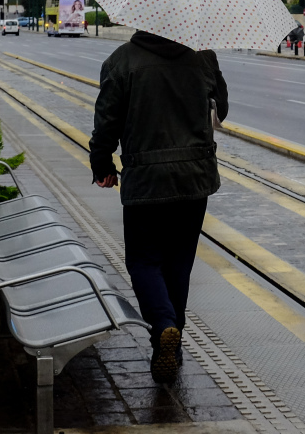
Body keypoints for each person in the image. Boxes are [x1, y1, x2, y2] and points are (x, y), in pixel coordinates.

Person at [89, 30, 228, 384]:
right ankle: (171, 345)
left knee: (144, 261)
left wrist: (102, 165)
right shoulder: (203, 56)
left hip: (146, 180)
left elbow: (106, 123)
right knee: (179, 263)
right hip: (194, 179)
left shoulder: (121, 62)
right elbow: (222, 109)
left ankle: (164, 326)